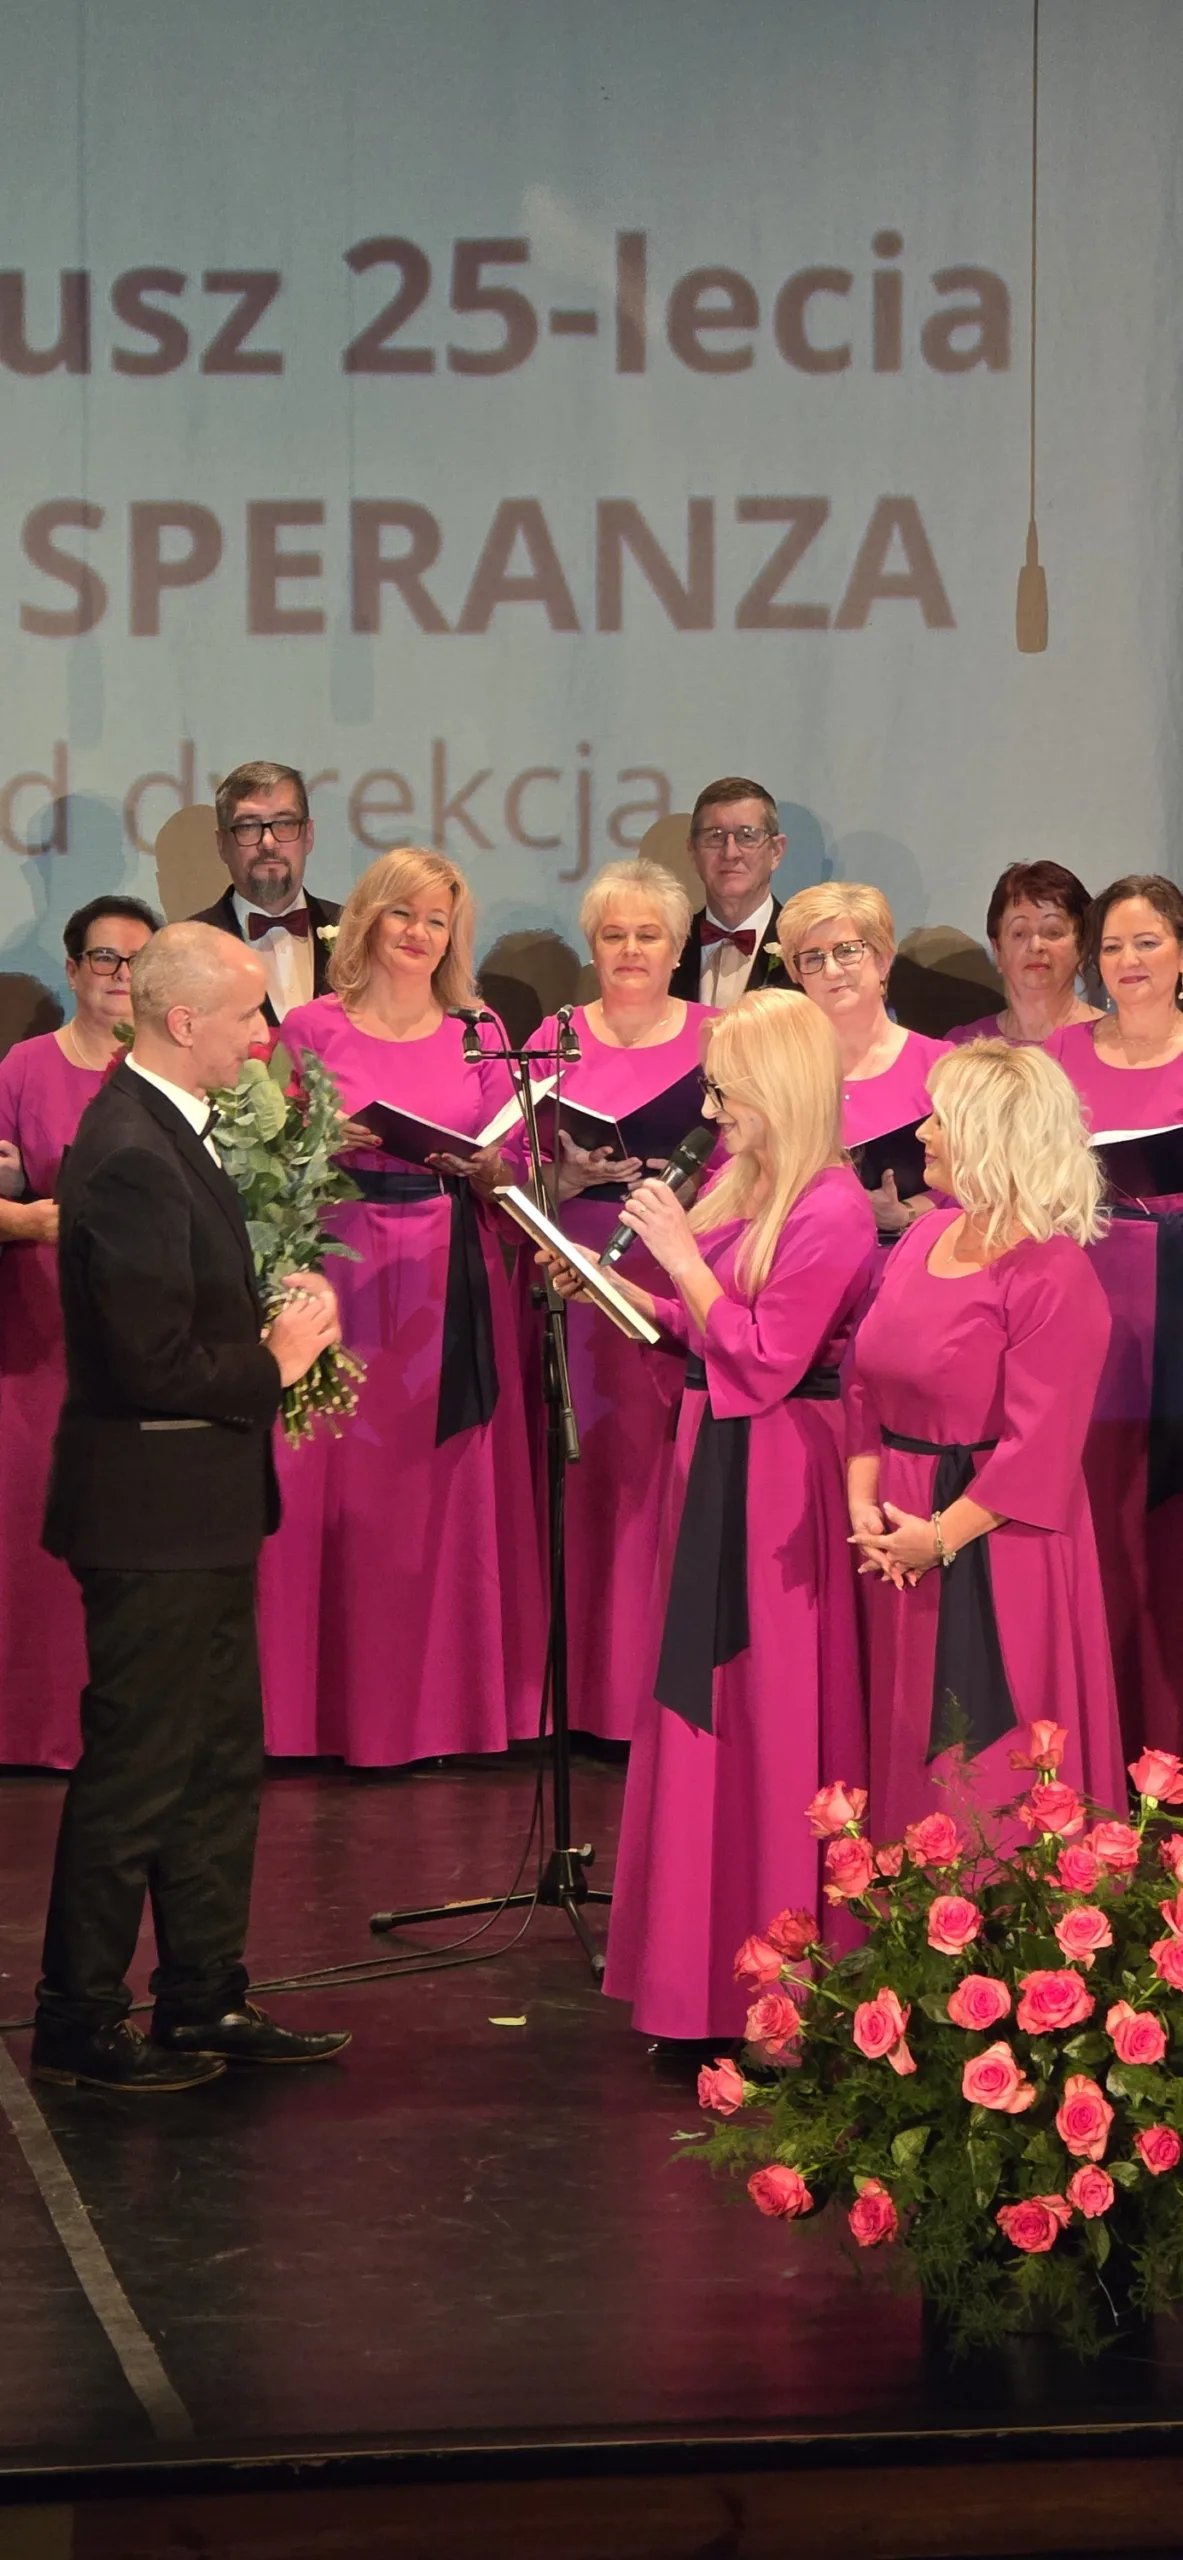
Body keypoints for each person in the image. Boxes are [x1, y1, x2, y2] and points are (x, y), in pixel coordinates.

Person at [32, 923, 349, 2093]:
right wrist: (276, 1358)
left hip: (198, 1510)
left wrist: (268, 1307)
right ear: (182, 1021)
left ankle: (203, 1996)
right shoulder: (128, 1150)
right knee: (141, 1769)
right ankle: (78, 2017)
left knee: (214, 1763)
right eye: (248, 1013)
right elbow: (145, 1361)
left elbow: (173, 1313)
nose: (264, 1034)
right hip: (151, 1514)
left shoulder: (170, 1129)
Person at [547, 992, 877, 2044]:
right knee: (701, 1699)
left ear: (779, 1085)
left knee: (763, 1701)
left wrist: (680, 1258)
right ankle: (696, 1976)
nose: (710, 1108)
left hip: (776, 1469)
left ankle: (781, 1989)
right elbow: (701, 1326)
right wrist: (609, 1289)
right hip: (713, 1449)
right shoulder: (746, 1179)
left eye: (725, 1087)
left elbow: (769, 1357)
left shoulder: (832, 1206)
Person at [257, 849, 545, 1765]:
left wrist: (491, 1165)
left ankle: (447, 1718)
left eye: (436, 920)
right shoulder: (310, 1025)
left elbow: (512, 1154)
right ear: (368, 919)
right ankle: (311, 1720)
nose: (418, 934)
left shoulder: (479, 1027)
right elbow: (262, 1154)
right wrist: (316, 1136)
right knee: (331, 1479)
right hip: (340, 1267)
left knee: (440, 1487)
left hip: (448, 1271)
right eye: (402, 914)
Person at [846, 1040, 1125, 1843]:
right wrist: (864, 1503)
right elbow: (863, 1379)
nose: (922, 1133)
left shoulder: (1052, 1273)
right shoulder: (923, 1236)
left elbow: (1040, 1451)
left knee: (989, 1770)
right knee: (908, 1743)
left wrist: (936, 1538)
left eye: (941, 1118)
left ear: (991, 1135)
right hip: (896, 1535)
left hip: (996, 1546)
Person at [524, 858, 717, 1742]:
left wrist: (694, 1193)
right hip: (574, 1271)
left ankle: (656, 1701)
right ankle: (582, 1702)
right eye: (613, 935)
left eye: (648, 935)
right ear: (591, 946)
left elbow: (756, 1156)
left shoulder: (720, 1035)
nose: (631, 950)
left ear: (678, 949)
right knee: (588, 1480)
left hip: (679, 1269)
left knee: (662, 1478)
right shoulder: (553, 1034)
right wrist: (564, 1178)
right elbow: (510, 1165)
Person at [0, 895, 158, 1767]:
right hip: (43, 1339)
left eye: (138, 961)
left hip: (148, 1340)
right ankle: (37, 1730)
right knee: (39, 1537)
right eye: (104, 959)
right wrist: (28, 1219)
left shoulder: (173, 1069)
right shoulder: (24, 1067)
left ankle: (139, 1734)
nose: (121, 976)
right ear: (71, 970)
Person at [1051, 874, 1183, 1751]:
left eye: (1146, 941)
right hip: (1087, 1306)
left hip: (1179, 1309)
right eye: (1110, 946)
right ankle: (1097, 1740)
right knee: (1100, 1511)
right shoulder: (1061, 1054)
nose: (1127, 961)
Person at [777, 882, 949, 1235]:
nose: (831, 970)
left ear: (883, 960)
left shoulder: (944, 1068)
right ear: (798, 976)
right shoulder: (778, 1072)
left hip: (909, 1257)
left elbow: (980, 1183)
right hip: (800, 1255)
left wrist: (905, 1213)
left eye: (846, 951)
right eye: (813, 958)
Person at [190, 760, 340, 1029]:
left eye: (284, 823)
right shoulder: (188, 948)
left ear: (308, 835)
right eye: (248, 826)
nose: (268, 843)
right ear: (222, 844)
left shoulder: (357, 933)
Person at [950, 859, 1099, 1046]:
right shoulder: (963, 1048)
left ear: (1082, 946)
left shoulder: (1117, 1043)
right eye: (1019, 933)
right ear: (997, 950)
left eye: (1053, 932)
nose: (1036, 946)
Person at [668, 776, 786, 1009]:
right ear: (692, 852)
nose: (730, 853)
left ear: (776, 851)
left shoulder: (805, 947)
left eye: (747, 836)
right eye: (715, 836)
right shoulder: (667, 947)